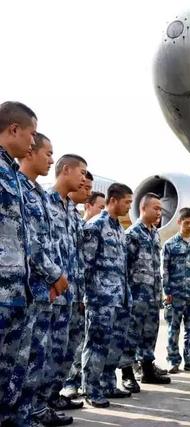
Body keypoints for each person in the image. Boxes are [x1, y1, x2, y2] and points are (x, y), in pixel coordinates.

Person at [16, 132, 73, 426]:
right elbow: (29, 244)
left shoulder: (36, 192)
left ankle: (33, 411)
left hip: (47, 291)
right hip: (29, 290)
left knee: (39, 358)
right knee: (22, 362)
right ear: (29, 152)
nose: (51, 159)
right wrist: (55, 276)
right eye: (48, 153)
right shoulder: (19, 189)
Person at [0, 101, 39, 425]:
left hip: (16, 292)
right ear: (13, 129)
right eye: (31, 134)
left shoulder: (12, 176)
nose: (33, 142)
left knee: (13, 369)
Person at [82, 183, 133, 408]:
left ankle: (108, 383)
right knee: (97, 345)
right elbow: (86, 265)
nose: (129, 207)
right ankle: (91, 388)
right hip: (100, 299)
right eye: (127, 202)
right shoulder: (96, 226)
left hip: (119, 298)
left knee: (115, 343)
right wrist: (87, 298)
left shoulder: (119, 228)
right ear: (114, 200)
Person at [45, 154, 87, 414]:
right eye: (81, 172)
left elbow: (76, 254)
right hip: (51, 291)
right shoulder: (45, 202)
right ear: (66, 170)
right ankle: (39, 402)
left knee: (64, 351)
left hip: (71, 293)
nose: (84, 178)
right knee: (47, 352)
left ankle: (52, 396)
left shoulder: (71, 209)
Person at [120, 192, 171, 390]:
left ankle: (148, 370)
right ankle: (127, 373)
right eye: (156, 208)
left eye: (160, 209)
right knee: (131, 334)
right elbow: (124, 267)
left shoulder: (153, 233)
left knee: (150, 333)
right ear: (143, 208)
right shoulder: (132, 234)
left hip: (152, 295)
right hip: (136, 295)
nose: (159, 212)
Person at [60, 170, 94, 402]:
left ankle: (53, 395)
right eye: (84, 187)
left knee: (70, 345)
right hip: (57, 292)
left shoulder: (74, 215)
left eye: (89, 188)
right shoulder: (54, 207)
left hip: (75, 293)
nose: (87, 191)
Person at [162, 207, 190, 373]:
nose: (189, 226)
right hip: (176, 295)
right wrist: (167, 292)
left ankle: (189, 360)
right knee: (173, 329)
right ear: (179, 222)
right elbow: (164, 270)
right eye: (186, 223)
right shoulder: (170, 245)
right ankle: (173, 361)